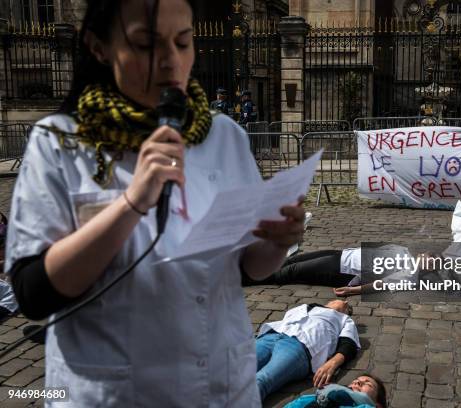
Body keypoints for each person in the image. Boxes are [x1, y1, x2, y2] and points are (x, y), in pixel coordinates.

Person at [4, 1, 305, 406]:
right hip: (113, 392)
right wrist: (131, 203)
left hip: (219, 386)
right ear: (98, 46)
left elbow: (248, 268)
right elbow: (33, 294)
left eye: (183, 42)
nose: (170, 62)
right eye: (147, 45)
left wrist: (277, 242)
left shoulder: (224, 136)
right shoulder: (59, 142)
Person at [256, 300, 360, 402]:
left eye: (343, 303)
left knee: (262, 380)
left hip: (298, 347)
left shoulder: (345, 319)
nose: (343, 302)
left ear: (346, 309)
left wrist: (333, 363)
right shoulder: (307, 307)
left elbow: (349, 343)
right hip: (270, 336)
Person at [242, 245, 419, 297]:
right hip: (341, 254)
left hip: (342, 270)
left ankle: (243, 279)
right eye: (433, 255)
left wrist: (353, 290)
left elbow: (382, 284)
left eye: (434, 262)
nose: (430, 258)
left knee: (290, 272)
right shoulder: (403, 250)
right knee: (291, 260)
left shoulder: (410, 274)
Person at [284, 373, 388, 408]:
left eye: (368, 384)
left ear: (378, 405)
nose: (357, 382)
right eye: (355, 380)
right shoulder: (309, 398)